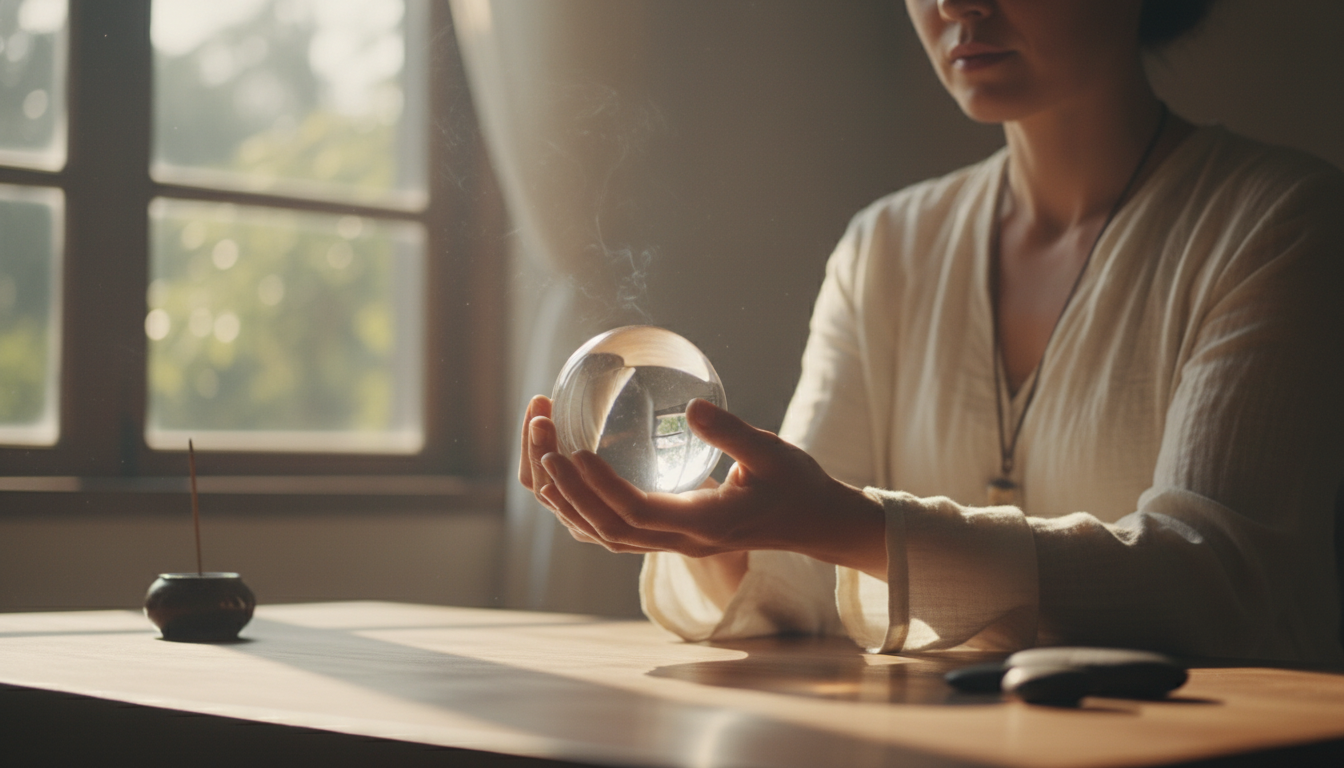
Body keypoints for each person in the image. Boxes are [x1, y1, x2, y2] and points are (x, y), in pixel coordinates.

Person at [517, 0, 1344, 664]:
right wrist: (714, 530)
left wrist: (844, 526)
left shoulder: (1279, 223)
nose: (956, 4)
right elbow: (800, 576)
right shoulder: (887, 249)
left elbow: (1211, 581)